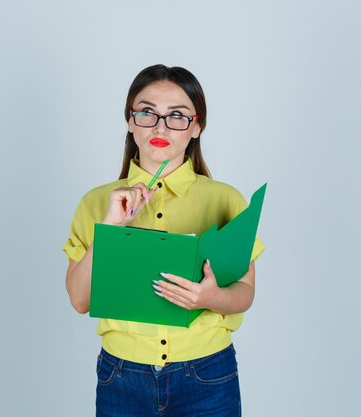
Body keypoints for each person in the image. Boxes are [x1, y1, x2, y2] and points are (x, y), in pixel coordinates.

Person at [63, 64, 265, 417]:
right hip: (122, 375)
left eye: (177, 116)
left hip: (207, 374)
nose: (160, 127)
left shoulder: (226, 199)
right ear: (130, 120)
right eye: (147, 112)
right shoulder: (96, 202)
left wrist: (211, 297)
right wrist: (110, 226)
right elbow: (80, 300)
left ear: (197, 126)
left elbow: (245, 292)